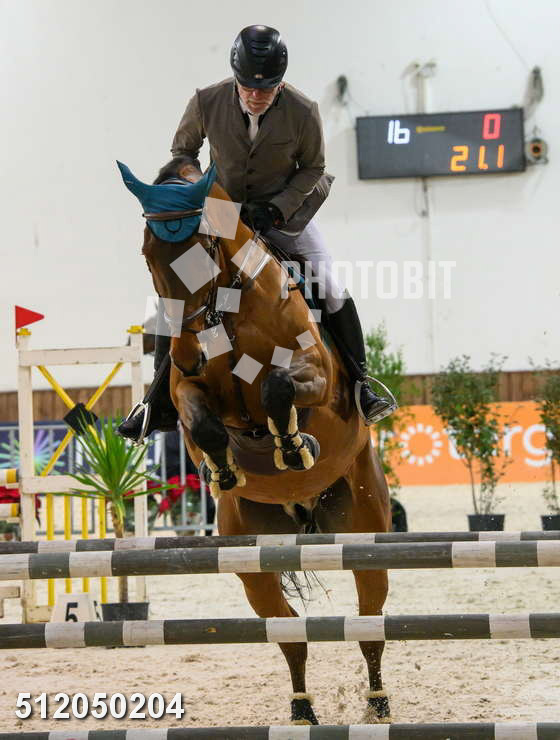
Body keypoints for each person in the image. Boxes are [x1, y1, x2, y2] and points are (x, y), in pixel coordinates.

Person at [118, 25, 395, 445]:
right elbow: (183, 154)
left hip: (284, 215)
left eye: (265, 89)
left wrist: (278, 206)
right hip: (223, 216)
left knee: (328, 283)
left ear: (280, 83)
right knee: (176, 296)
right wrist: (203, 191)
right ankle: (156, 402)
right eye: (248, 87)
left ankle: (361, 384)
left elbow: (314, 168)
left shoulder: (303, 109)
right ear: (236, 78)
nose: (255, 96)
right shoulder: (207, 100)